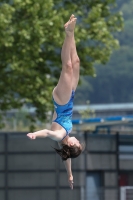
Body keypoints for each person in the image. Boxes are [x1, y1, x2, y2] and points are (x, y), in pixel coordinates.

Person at [27, 14, 85, 190]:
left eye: (77, 142)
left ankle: (68, 32)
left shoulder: (60, 136)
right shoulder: (65, 142)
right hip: (70, 99)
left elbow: (47, 132)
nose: (77, 139)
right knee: (76, 62)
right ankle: (71, 31)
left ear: (73, 144)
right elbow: (66, 158)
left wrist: (35, 134)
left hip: (62, 101)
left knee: (67, 66)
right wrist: (70, 174)